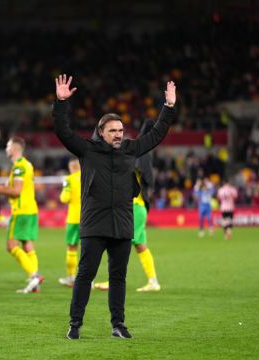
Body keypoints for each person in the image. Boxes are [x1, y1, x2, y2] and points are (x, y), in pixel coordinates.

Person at [53, 74, 176, 340]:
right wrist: (61, 103)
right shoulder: (87, 150)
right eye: (113, 131)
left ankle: (118, 325)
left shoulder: (130, 149)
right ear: (101, 132)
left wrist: (168, 108)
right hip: (94, 224)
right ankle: (75, 324)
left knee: (118, 279)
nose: (119, 135)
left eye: (121, 131)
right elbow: (63, 132)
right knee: (85, 276)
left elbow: (156, 135)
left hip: (122, 223)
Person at [94, 120, 161, 292]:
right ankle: (153, 281)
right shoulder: (139, 163)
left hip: (133, 208)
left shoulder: (132, 162)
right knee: (140, 245)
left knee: (118, 244)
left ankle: (113, 281)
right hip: (138, 208)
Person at [0, 137, 43, 294]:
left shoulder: (19, 167)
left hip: (21, 211)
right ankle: (34, 283)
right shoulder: (26, 164)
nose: (6, 148)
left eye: (8, 146)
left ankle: (34, 275)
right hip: (31, 210)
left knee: (11, 246)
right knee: (27, 244)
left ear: (15, 148)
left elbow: (16, 191)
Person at [58, 158, 81, 288]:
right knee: (89, 249)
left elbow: (64, 198)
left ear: (71, 167)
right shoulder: (89, 176)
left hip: (74, 219)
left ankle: (71, 277)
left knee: (72, 248)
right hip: (90, 218)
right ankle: (89, 278)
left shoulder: (69, 179)